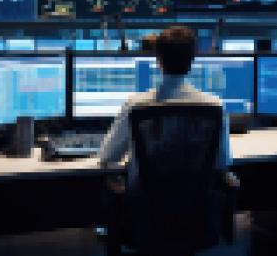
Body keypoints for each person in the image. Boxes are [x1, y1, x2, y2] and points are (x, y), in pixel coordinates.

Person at [99, 26, 231, 185]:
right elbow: (222, 163)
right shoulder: (215, 106)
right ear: (192, 60)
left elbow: (108, 157)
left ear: (158, 61)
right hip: (196, 204)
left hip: (145, 203)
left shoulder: (135, 105)